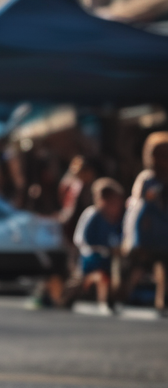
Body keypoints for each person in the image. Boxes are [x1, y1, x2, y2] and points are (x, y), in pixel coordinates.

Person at [122, 131, 168, 312]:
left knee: (163, 268)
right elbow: (137, 205)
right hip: (147, 230)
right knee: (139, 266)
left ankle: (161, 301)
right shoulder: (147, 178)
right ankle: (123, 295)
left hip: (164, 231)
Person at [72, 178, 124, 313]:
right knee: (103, 274)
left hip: (108, 257)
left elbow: (118, 237)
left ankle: (112, 299)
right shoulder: (93, 215)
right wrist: (102, 248)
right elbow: (81, 239)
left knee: (118, 268)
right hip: (90, 257)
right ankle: (103, 299)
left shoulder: (116, 220)